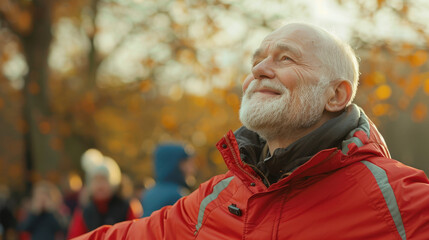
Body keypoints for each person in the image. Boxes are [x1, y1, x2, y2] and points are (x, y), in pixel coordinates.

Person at [72, 23, 429, 239]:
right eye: (257, 60)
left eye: (285, 58)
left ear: (336, 95)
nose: (260, 69)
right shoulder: (215, 198)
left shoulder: (404, 202)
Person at [67, 149, 137, 239]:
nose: (100, 185)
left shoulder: (128, 207)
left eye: (104, 179)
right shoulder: (84, 212)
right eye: (96, 180)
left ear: (114, 182)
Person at [141, 143, 194, 217]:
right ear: (175, 165)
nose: (192, 170)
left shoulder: (148, 193)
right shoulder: (178, 196)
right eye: (187, 164)